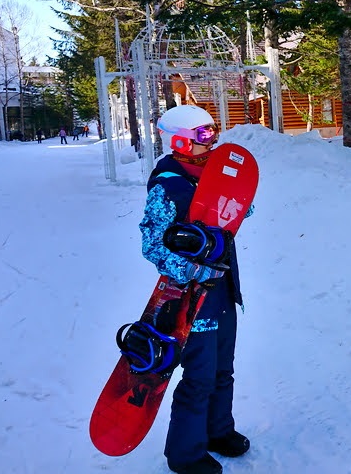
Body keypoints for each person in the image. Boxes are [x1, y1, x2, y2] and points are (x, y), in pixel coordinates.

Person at [139, 104, 250, 474]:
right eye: (203, 134)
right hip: (193, 295)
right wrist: (188, 268)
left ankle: (218, 431)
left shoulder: (215, 172)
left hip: (223, 287)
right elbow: (152, 244)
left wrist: (240, 199)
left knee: (223, 368)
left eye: (213, 130)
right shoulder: (167, 184)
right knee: (199, 374)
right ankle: (185, 454)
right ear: (180, 141)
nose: (211, 140)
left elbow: (234, 213)